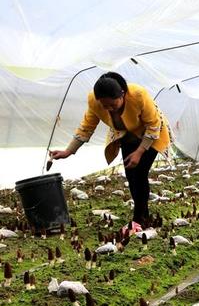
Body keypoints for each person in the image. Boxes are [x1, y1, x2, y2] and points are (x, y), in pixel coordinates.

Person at [49, 72, 171, 227]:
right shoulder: (94, 101)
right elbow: (87, 127)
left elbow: (153, 125)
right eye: (104, 106)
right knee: (131, 175)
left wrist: (140, 152)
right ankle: (144, 215)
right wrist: (68, 151)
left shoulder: (139, 95)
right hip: (127, 136)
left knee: (140, 173)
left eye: (113, 105)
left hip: (151, 135)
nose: (109, 109)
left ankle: (138, 219)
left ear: (123, 95)